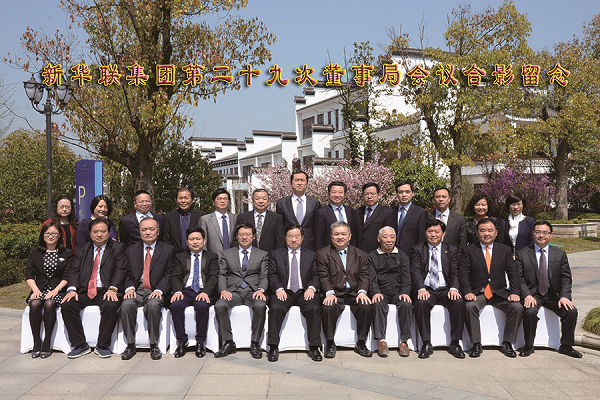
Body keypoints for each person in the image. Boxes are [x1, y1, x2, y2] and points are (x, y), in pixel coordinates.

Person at [62, 219, 128, 358]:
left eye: (103, 231)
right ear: (90, 233)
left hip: (106, 290)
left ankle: (103, 345)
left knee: (111, 306)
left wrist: (113, 288)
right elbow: (74, 270)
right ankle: (80, 345)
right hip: (85, 290)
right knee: (67, 305)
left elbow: (121, 269)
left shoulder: (118, 248)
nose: (99, 234)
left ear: (109, 233)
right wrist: (72, 289)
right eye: (95, 231)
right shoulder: (82, 249)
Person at [516, 221, 582, 358]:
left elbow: (566, 277)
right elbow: (518, 278)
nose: (541, 235)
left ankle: (566, 346)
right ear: (533, 234)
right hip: (533, 294)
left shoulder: (560, 254)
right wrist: (527, 295)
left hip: (553, 295)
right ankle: (528, 345)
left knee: (571, 312)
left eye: (545, 232)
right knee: (529, 312)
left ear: (551, 235)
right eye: (538, 232)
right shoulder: (522, 254)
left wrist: (564, 296)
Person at [459, 218, 523, 358]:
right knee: (470, 306)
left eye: (490, 230)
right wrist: (467, 291)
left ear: (496, 233)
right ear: (477, 233)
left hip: (499, 293)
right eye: (482, 230)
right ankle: (476, 344)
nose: (486, 234)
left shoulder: (505, 250)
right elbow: (463, 273)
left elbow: (513, 273)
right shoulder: (468, 250)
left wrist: (515, 292)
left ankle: (507, 342)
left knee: (517, 307)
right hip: (478, 293)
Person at [120, 217, 175, 361]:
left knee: (153, 305)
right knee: (126, 305)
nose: (148, 232)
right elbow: (125, 272)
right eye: (144, 229)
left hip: (155, 289)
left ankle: (154, 345)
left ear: (158, 231)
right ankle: (130, 345)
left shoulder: (168, 249)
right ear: (139, 232)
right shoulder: (131, 250)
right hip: (136, 289)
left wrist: (159, 290)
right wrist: (129, 288)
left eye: (151, 229)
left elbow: (169, 273)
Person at [317, 221, 373, 358]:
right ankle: (330, 343)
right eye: (336, 234)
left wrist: (362, 292)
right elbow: (323, 276)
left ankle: (361, 342)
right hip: (335, 293)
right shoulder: (322, 254)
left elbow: (364, 276)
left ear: (350, 236)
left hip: (354, 292)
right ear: (331, 236)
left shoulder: (361, 254)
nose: (340, 237)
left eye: (343, 234)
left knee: (366, 306)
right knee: (328, 307)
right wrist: (329, 292)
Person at [410, 219, 465, 359]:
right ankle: (426, 343)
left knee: (458, 302)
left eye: (436, 231)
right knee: (421, 303)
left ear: (443, 233)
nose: (433, 234)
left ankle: (455, 342)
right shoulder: (417, 249)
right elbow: (415, 271)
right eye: (430, 231)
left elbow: (455, 272)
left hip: (445, 289)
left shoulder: (451, 250)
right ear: (425, 232)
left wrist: (454, 288)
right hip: (427, 289)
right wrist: (421, 288)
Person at [267, 224, 322, 362]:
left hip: (305, 291)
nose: (293, 239)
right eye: (290, 236)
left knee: (314, 308)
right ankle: (273, 346)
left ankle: (314, 347)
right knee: (275, 308)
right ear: (285, 238)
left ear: (302, 237)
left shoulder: (311, 255)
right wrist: (278, 288)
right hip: (284, 291)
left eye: (297, 236)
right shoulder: (275, 254)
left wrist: (312, 288)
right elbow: (272, 275)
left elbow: (317, 275)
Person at [213, 223, 269, 359]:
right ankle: (228, 342)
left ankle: (255, 343)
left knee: (260, 305)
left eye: (248, 234)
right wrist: (223, 290)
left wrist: (261, 290)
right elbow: (222, 274)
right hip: (233, 292)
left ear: (254, 236)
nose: (244, 237)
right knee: (219, 305)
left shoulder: (262, 254)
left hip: (253, 291)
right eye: (241, 234)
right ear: (237, 237)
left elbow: (264, 276)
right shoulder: (227, 253)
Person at [25, 222, 73, 358]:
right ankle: (36, 341)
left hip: (58, 290)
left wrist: (56, 290)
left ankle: (47, 341)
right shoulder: (35, 252)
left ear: (59, 235)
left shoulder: (67, 253)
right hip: (39, 289)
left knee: (49, 304)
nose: (50, 236)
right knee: (35, 304)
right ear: (43, 235)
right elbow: (29, 274)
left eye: (54, 233)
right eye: (47, 233)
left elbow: (67, 275)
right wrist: (35, 290)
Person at [170, 227, 219, 358]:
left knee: (202, 305)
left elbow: (214, 277)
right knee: (175, 305)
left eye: (198, 239)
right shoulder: (180, 257)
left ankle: (200, 342)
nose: (195, 242)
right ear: (187, 242)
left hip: (203, 291)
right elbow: (175, 276)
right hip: (185, 291)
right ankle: (182, 341)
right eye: (192, 239)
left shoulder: (212, 257)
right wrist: (177, 291)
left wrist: (206, 292)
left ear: (204, 241)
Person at [368, 226, 413, 358]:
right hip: (381, 292)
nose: (389, 240)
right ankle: (381, 340)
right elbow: (371, 278)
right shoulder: (372, 256)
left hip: (398, 292)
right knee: (378, 304)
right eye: (385, 237)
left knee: (406, 304)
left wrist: (405, 292)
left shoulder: (403, 256)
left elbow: (406, 278)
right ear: (379, 239)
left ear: (395, 238)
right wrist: (376, 292)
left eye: (392, 237)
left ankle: (404, 341)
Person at [276, 171, 321, 251]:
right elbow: (280, 228)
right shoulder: (282, 203)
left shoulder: (315, 203)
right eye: (296, 180)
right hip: (288, 246)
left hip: (309, 246)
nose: (299, 183)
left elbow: (317, 227)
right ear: (291, 183)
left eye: (302, 180)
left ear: (307, 183)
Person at [233, 188, 284, 253]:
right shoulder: (242, 217)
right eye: (257, 198)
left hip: (270, 256)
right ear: (252, 200)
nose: (261, 201)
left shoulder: (277, 218)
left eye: (264, 199)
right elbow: (236, 239)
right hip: (247, 255)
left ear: (268, 200)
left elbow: (280, 241)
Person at [314, 181, 360, 251]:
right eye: (334, 192)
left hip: (349, 252)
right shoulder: (321, 212)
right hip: (329, 252)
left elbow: (354, 235)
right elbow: (318, 238)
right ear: (329, 194)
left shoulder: (351, 211)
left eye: (340, 192)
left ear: (345, 194)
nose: (337, 195)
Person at [163, 188, 207, 253]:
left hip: (197, 254)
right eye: (180, 198)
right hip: (175, 256)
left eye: (186, 198)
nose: (183, 201)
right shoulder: (169, 216)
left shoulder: (201, 215)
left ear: (192, 200)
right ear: (176, 200)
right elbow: (166, 239)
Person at [357, 182, 396, 254]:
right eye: (366, 194)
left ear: (379, 195)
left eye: (372, 194)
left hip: (377, 254)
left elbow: (388, 236)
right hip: (359, 253)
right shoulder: (357, 211)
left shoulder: (387, 213)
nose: (369, 196)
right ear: (363, 196)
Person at [199, 188, 237, 258]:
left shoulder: (235, 219)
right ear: (213, 202)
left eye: (225, 199)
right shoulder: (205, 219)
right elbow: (203, 243)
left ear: (228, 201)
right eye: (219, 199)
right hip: (213, 260)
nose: (222, 201)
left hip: (233, 259)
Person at [393, 181, 429, 255]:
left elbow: (422, 238)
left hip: (411, 255)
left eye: (407, 192)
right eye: (400, 192)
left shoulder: (421, 213)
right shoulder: (391, 211)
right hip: (391, 255)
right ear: (397, 194)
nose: (404, 195)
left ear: (412, 193)